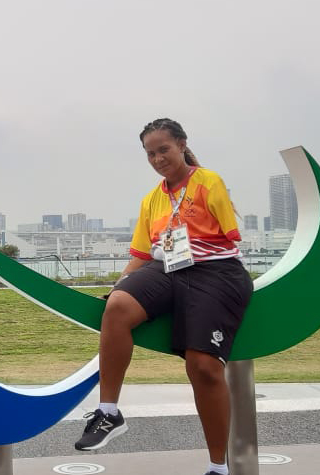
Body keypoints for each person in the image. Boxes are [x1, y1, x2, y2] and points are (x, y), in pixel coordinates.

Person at [74, 118, 253, 475]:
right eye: (150, 153)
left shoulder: (208, 181)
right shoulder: (151, 200)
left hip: (215, 272)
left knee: (201, 366)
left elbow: (232, 237)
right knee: (118, 307)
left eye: (164, 150)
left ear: (182, 145)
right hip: (167, 269)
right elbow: (142, 255)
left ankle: (219, 467)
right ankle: (108, 412)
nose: (157, 159)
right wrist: (118, 287)